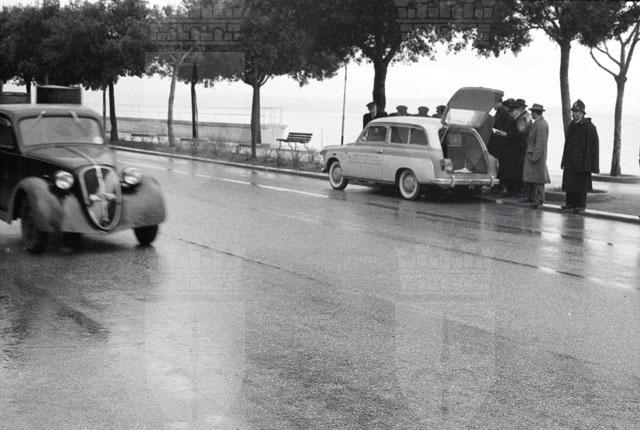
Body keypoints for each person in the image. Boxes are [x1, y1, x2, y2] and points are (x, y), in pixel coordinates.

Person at [561, 99, 599, 213]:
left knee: (580, 185)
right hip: (570, 161)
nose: (574, 114)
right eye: (573, 111)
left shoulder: (589, 127)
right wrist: (564, 160)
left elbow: (593, 147)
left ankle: (580, 205)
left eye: (577, 112)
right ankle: (569, 203)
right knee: (570, 183)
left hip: (582, 162)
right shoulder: (572, 125)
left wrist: (591, 164)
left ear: (582, 113)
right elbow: (567, 144)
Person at [520, 103, 550, 208]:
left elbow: (540, 143)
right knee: (532, 178)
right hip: (532, 154)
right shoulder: (537, 123)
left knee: (538, 179)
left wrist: (535, 157)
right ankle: (531, 197)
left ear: (535, 112)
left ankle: (539, 199)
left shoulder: (541, 125)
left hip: (536, 156)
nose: (531, 113)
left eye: (532, 112)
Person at [502, 98, 531, 196]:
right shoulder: (524, 117)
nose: (512, 112)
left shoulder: (522, 118)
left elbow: (519, 133)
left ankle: (517, 190)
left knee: (517, 170)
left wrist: (507, 134)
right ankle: (515, 189)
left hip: (518, 148)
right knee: (515, 169)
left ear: (519, 109)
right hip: (518, 148)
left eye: (513, 110)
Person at [488, 98, 513, 191]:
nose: (493, 106)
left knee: (500, 166)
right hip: (499, 143)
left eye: (494, 103)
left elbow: (501, 127)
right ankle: (498, 185)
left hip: (500, 143)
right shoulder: (500, 112)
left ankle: (499, 186)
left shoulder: (503, 113)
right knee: (499, 165)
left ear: (499, 103)